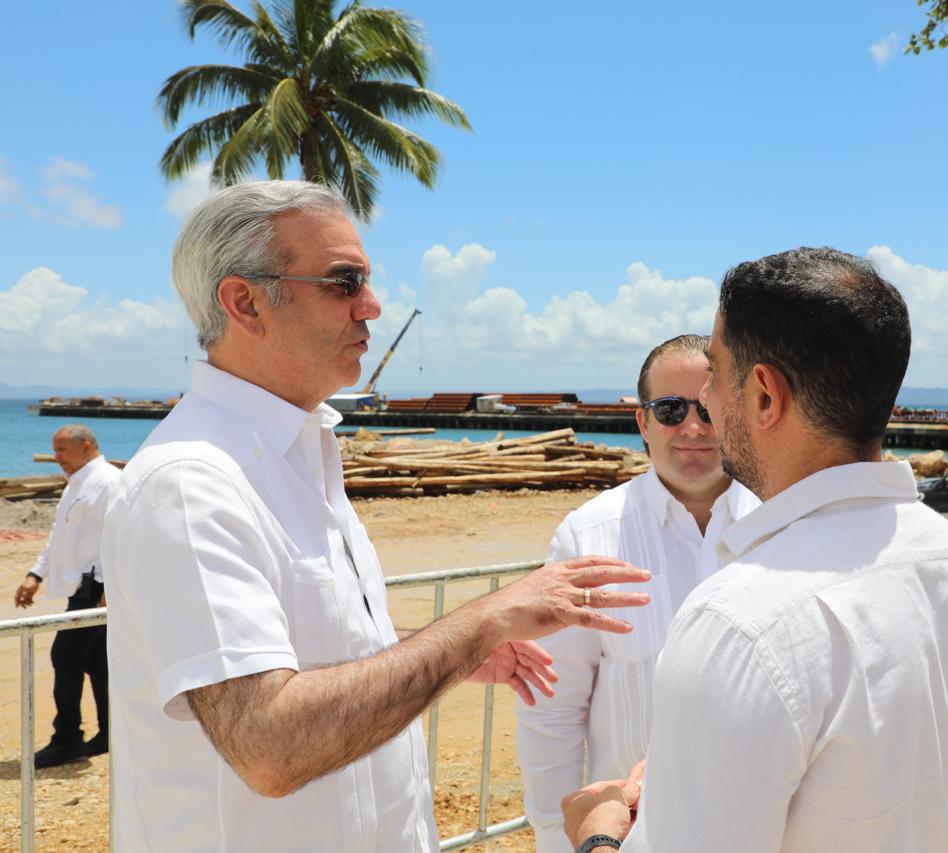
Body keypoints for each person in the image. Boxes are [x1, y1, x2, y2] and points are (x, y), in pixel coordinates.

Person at [100, 180, 651, 853]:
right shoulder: (191, 484)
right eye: (344, 282)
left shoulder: (295, 455)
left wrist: (450, 653)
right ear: (245, 302)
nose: (372, 304)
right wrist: (483, 621)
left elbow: (314, 648)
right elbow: (268, 743)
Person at [561, 247, 948, 853]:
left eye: (714, 372)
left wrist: (597, 836)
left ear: (764, 395)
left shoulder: (739, 621)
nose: (704, 400)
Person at [515, 334, 760, 852]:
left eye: (708, 409)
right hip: (627, 838)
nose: (692, 427)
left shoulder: (780, 528)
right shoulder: (589, 537)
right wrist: (559, 837)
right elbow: (552, 709)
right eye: (670, 409)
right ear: (643, 424)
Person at [13, 424, 119, 768]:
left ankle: (67, 740)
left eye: (62, 450)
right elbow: (58, 538)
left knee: (66, 656)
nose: (56, 457)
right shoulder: (77, 483)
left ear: (86, 446)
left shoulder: (107, 482)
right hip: (81, 588)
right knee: (95, 660)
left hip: (97, 589)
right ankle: (112, 732)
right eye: (55, 450)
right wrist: (35, 575)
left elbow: (122, 536)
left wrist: (112, 588)